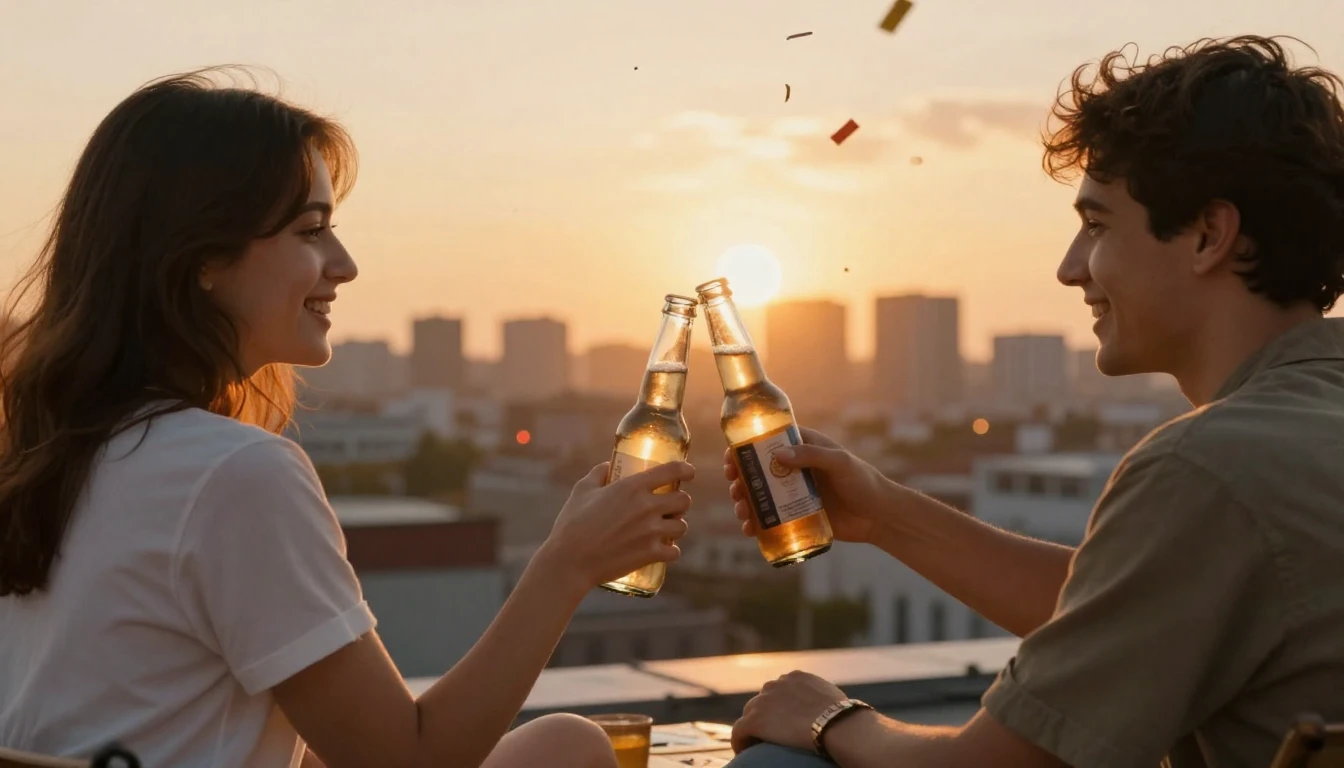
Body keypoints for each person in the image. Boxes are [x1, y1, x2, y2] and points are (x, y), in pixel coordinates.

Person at [0, 69, 695, 768]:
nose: (346, 265)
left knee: (562, 740)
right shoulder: (232, 476)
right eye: (311, 231)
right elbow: (407, 761)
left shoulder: (47, 451)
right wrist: (566, 564)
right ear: (205, 257)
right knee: (569, 750)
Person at [724, 35, 1344, 768]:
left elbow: (993, 765)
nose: (1068, 268)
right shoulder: (1296, 438)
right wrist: (886, 514)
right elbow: (1133, 613)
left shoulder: (1208, 467)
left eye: (1097, 225)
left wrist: (830, 719)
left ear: (1209, 235)